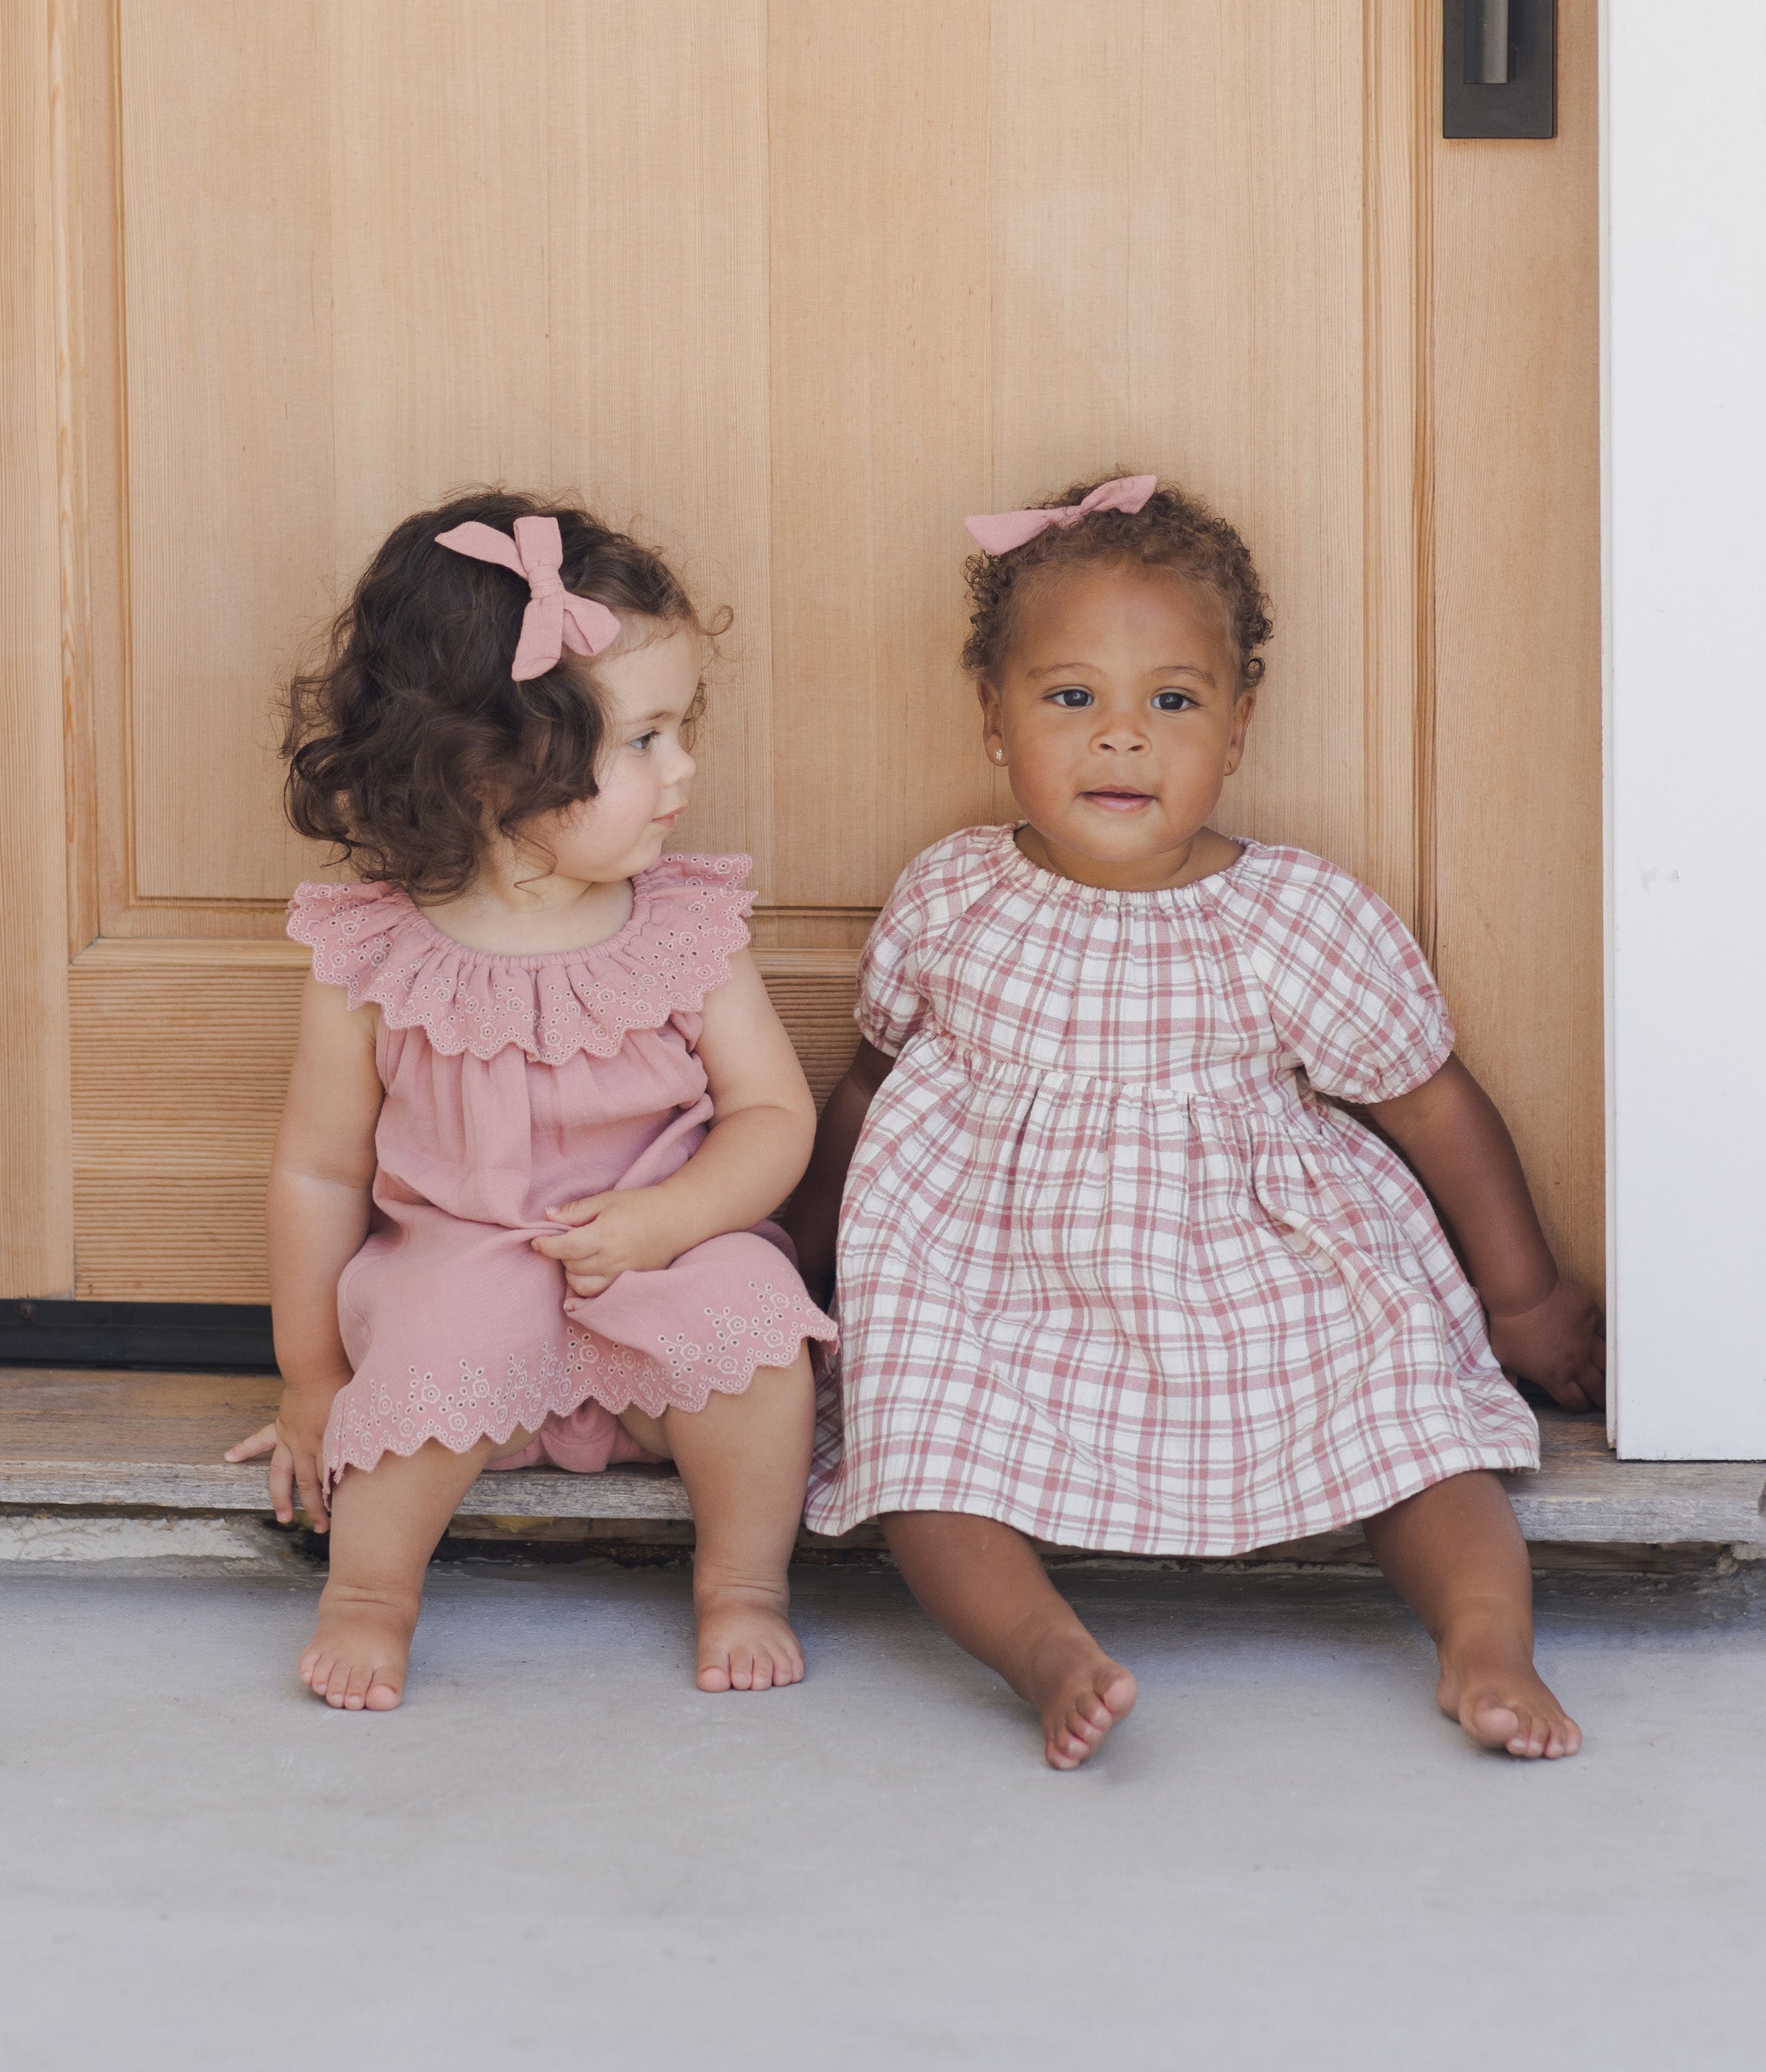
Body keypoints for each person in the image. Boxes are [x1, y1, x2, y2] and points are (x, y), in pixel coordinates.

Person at [787, 473, 1604, 1769]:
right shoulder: (950, 894)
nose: (1123, 739)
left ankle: (1485, 1639)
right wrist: (802, 1256)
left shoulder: (1295, 915)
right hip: (995, 1275)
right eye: (1072, 699)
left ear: (1237, 727)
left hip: (1251, 1268)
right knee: (920, 1456)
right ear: (992, 719)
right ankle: (1045, 1652)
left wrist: (1523, 1296)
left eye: (1172, 701)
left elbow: (1431, 1102)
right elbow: (868, 1090)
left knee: (1413, 1428)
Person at [227, 492, 833, 1710]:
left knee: (763, 1335)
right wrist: (309, 1377)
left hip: (657, 1271)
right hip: (461, 1269)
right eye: (645, 739)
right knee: (436, 1348)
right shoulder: (374, 958)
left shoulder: (687, 928)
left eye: (680, 729)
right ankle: (369, 1595)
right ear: (493, 767)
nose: (685, 769)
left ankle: (744, 1581)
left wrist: (669, 1220)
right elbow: (319, 1171)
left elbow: (774, 1115)